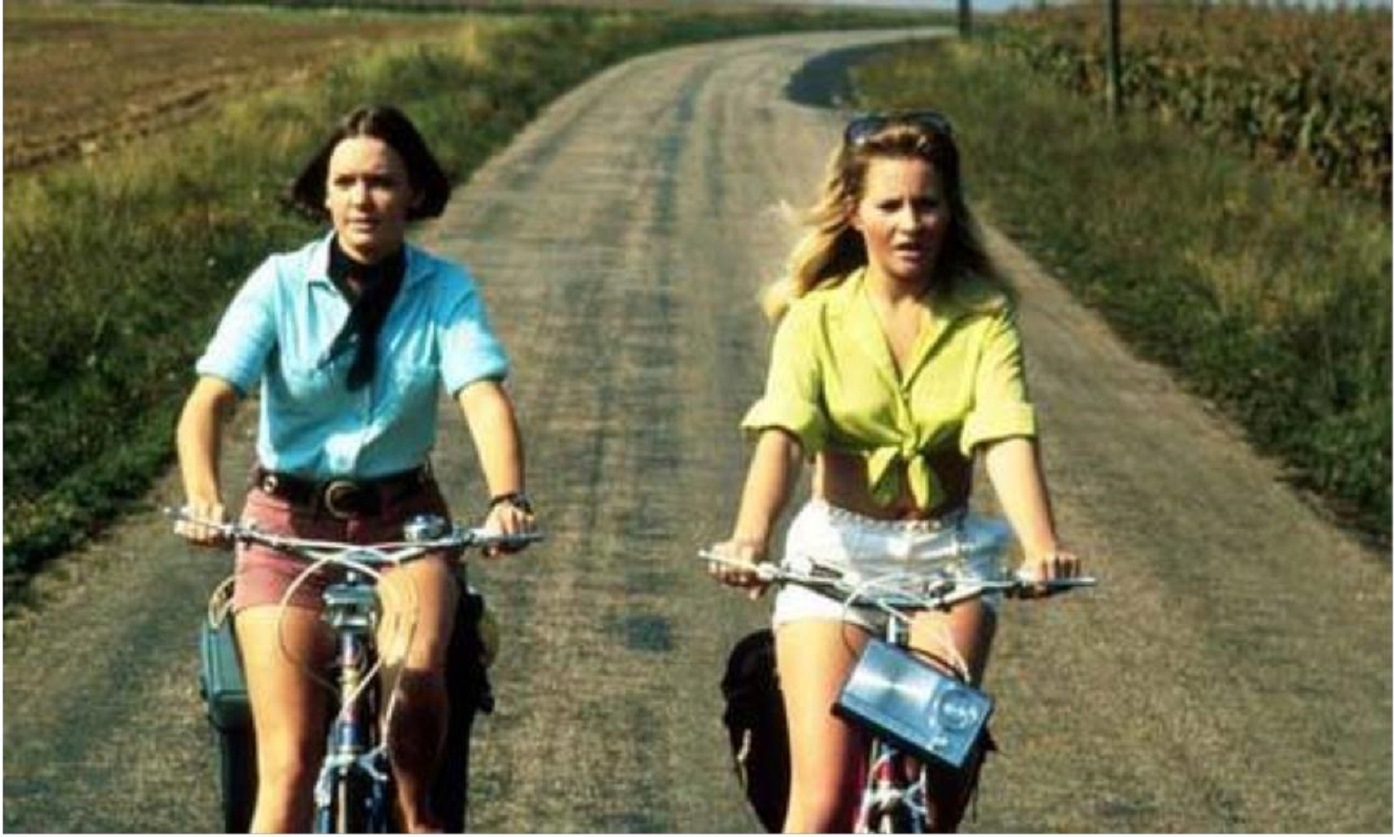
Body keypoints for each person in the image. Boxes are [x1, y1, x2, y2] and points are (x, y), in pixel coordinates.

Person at [707, 110, 1082, 833]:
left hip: (947, 562)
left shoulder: (983, 316)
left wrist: (1040, 544)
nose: (911, 223)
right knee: (821, 802)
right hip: (837, 562)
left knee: (934, 795)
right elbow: (783, 431)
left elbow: (1004, 430)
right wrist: (749, 537)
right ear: (854, 214)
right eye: (891, 205)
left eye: (928, 202)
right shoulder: (814, 317)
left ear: (951, 210)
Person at [174, 104, 537, 833]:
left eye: (381, 181)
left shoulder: (443, 289)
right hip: (285, 530)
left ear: (414, 193)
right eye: (346, 181)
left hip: (403, 525)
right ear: (324, 193)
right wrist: (206, 498)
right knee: (287, 765)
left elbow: (482, 396)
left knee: (415, 691)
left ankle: (416, 816)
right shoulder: (279, 283)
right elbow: (207, 402)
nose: (362, 198)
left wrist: (506, 497)